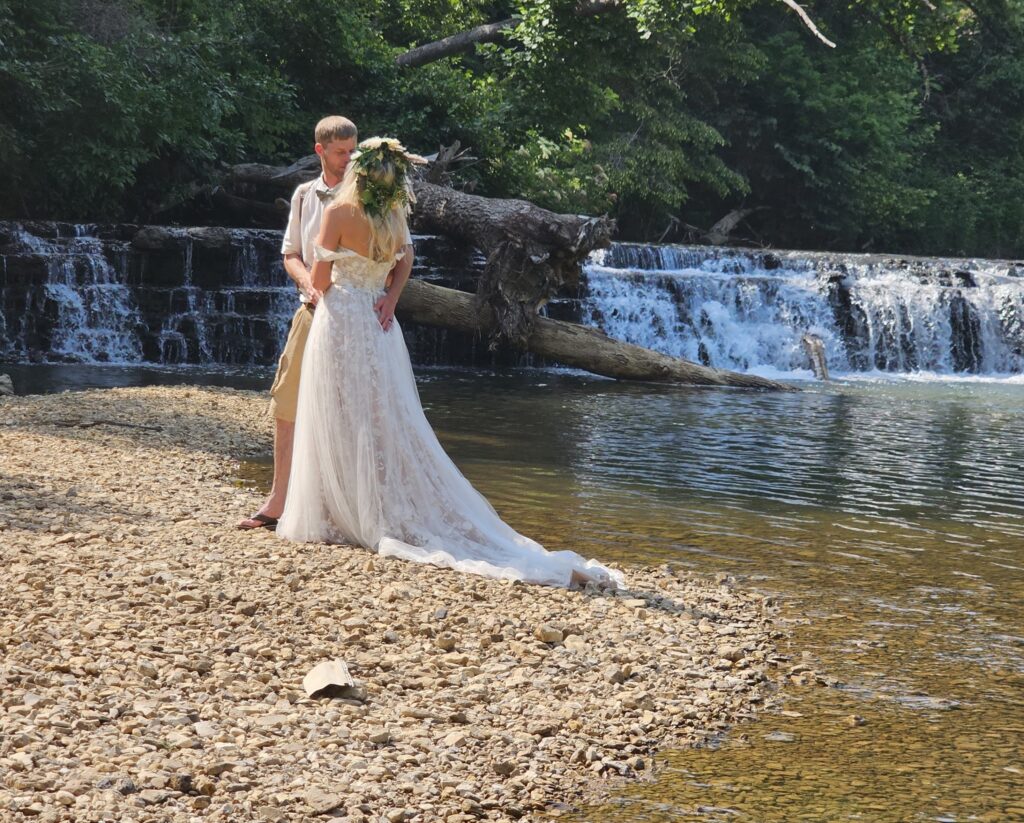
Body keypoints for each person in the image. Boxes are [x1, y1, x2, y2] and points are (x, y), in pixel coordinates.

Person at [275, 137, 623, 590]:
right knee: (384, 417)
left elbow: (320, 277)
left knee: (338, 412)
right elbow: (407, 259)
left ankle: (340, 510)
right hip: (379, 324)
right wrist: (391, 298)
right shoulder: (393, 215)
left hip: (339, 320)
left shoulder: (339, 213)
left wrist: (323, 290)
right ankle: (370, 504)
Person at [237, 115, 412, 529]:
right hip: (315, 309)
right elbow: (291, 255)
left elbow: (405, 255)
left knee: (356, 408)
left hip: (356, 310)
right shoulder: (304, 196)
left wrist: (392, 297)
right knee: (288, 400)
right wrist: (309, 288)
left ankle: (348, 505)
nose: (348, 158)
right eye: (340, 152)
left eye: (354, 151)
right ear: (320, 151)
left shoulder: (378, 200)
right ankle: (279, 501)